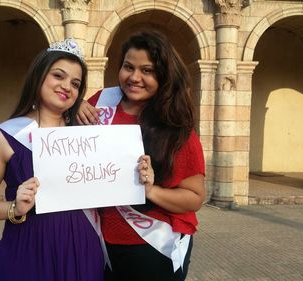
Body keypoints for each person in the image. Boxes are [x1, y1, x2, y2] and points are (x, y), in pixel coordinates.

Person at [0, 38, 105, 281]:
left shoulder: (85, 134)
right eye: (58, 76)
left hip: (84, 246)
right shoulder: (4, 136)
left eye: (75, 83)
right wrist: (13, 208)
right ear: (39, 75)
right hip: (29, 247)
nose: (66, 87)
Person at [77, 31, 206, 281]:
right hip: (101, 241)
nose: (134, 77)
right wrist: (74, 107)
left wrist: (150, 191)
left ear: (163, 75)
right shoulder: (101, 102)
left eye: (147, 70)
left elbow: (194, 198)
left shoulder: (175, 127)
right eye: (128, 67)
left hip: (152, 246)